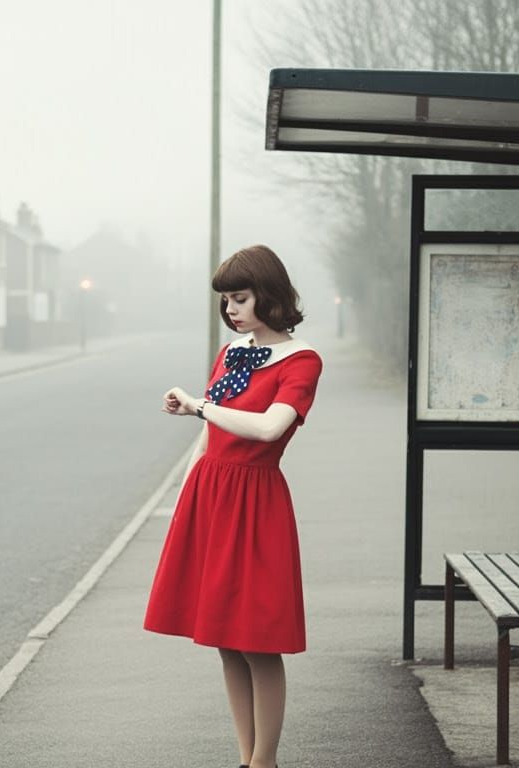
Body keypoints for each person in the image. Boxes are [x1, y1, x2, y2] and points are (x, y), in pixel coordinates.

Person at [145, 244, 322, 768]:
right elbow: (211, 431)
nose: (231, 310)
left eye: (240, 298)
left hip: (255, 501)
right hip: (212, 495)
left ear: (269, 295)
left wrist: (201, 405)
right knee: (225, 637)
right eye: (226, 301)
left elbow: (270, 427)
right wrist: (186, 490)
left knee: (256, 640)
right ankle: (245, 758)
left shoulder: (302, 360)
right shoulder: (232, 353)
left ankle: (263, 761)